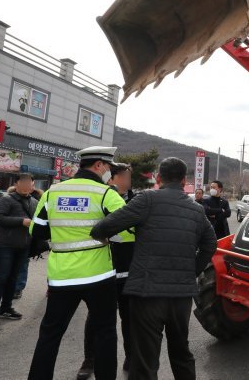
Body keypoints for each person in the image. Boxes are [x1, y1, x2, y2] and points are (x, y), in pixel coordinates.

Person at [91, 157, 217, 380]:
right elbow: (210, 244)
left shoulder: (146, 199)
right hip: (181, 297)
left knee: (145, 359)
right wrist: (193, 271)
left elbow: (104, 227)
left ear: (158, 178)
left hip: (147, 293)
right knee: (181, 353)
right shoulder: (196, 210)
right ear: (184, 180)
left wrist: (101, 235)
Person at [28, 146, 127, 380]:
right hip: (98, 276)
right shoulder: (106, 193)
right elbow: (127, 229)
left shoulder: (53, 192)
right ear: (99, 165)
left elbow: (37, 231)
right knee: (104, 332)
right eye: (109, 168)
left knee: (50, 334)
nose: (110, 173)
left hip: (61, 275)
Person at [78, 162, 135, 379]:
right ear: (113, 178)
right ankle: (89, 359)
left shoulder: (137, 201)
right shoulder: (100, 199)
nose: (129, 181)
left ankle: (131, 357)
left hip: (128, 269)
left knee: (129, 317)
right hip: (103, 269)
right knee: (96, 318)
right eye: (125, 176)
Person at [0, 173, 37, 332]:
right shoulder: (5, 199)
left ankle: (6, 308)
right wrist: (21, 221)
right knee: (0, 279)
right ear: (17, 184)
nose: (28, 185)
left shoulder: (35, 202)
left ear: (33, 185)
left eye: (31, 182)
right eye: (25, 182)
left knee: (13, 279)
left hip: (23, 246)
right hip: (5, 245)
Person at [14, 187, 44, 300]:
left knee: (23, 263)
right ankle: (8, 287)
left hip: (28, 237)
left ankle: (18, 288)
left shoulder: (37, 201)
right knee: (8, 265)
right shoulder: (8, 198)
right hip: (10, 238)